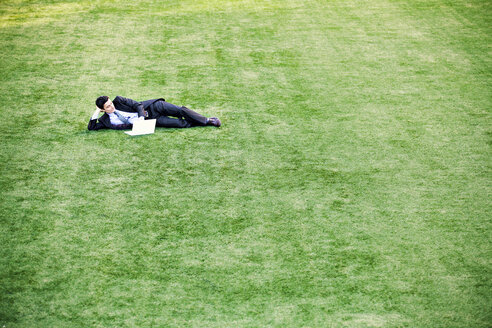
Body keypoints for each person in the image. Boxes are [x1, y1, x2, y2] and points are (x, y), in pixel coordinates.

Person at [88, 95, 221, 130]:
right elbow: (92, 127)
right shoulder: (107, 120)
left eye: (111, 103)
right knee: (179, 124)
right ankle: (201, 122)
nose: (112, 106)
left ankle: (208, 120)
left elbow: (137, 105)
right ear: (103, 110)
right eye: (108, 106)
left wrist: (140, 117)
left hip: (154, 107)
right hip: (152, 122)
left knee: (180, 110)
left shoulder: (119, 100)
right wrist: (96, 112)